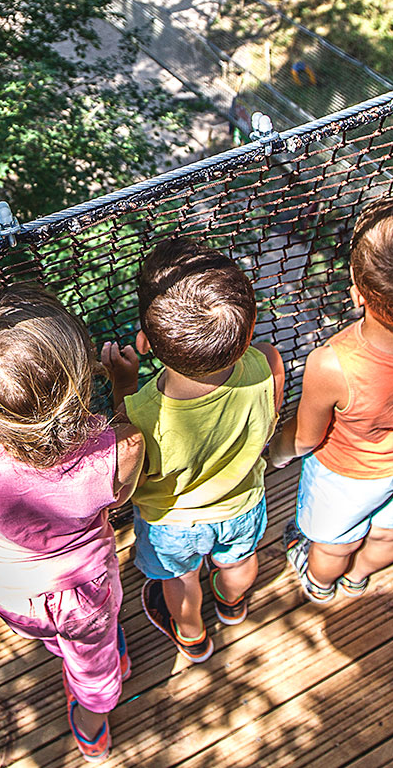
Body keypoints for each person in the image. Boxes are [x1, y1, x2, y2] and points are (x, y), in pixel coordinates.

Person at [0, 284, 144, 762]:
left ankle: (60, 644)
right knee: (95, 662)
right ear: (80, 375)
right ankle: (94, 724)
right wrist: (125, 388)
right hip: (86, 594)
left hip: (8, 590)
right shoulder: (119, 449)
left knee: (53, 634)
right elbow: (122, 491)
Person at [268, 197, 393, 601]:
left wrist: (275, 452)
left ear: (358, 294)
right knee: (390, 533)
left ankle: (322, 582)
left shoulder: (333, 364)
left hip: (347, 476)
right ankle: (358, 578)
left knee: (332, 545)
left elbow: (307, 438)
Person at [101, 237, 284, 663]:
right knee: (238, 563)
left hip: (172, 523)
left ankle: (193, 636)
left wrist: (123, 386)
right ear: (249, 328)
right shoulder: (267, 363)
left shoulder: (142, 411)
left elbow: (130, 469)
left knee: (181, 579)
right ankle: (231, 602)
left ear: (145, 342)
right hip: (242, 504)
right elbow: (269, 420)